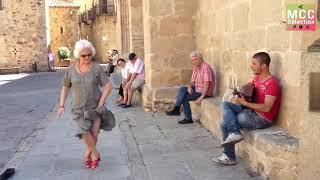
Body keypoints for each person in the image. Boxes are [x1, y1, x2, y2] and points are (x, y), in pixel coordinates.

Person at [212, 52, 281, 165]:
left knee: (229, 121)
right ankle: (234, 135)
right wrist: (239, 91)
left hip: (262, 118)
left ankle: (229, 156)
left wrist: (244, 103)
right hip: (252, 111)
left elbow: (267, 108)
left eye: (254, 64)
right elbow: (247, 86)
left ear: (263, 66)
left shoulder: (272, 83)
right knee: (225, 105)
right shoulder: (257, 78)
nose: (251, 66)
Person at [57, 39, 112, 169]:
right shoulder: (70, 70)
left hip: (95, 108)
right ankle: (96, 153)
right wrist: (61, 105)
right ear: (78, 55)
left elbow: (108, 85)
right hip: (78, 108)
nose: (87, 57)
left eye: (89, 55)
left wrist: (101, 103)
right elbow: (65, 87)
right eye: (83, 55)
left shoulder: (97, 68)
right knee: (83, 131)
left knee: (94, 133)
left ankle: (88, 156)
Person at [166, 51, 215, 124]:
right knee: (183, 89)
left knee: (185, 98)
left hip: (204, 91)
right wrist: (189, 86)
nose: (193, 62)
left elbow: (206, 84)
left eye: (195, 59)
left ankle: (187, 117)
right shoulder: (196, 68)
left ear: (200, 59)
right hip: (197, 89)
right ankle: (177, 108)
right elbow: (192, 81)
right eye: (192, 60)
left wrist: (202, 97)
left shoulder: (206, 67)